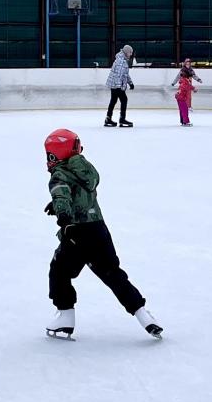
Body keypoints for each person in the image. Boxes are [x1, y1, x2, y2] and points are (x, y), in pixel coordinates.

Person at [42, 128, 160, 340]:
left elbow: (61, 194)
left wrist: (65, 219)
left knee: (58, 271)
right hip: (98, 230)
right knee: (113, 274)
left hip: (77, 232)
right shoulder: (86, 170)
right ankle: (144, 316)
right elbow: (79, 192)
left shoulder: (59, 174)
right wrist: (59, 205)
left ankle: (65, 317)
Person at [104, 44, 136, 127]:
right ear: (126, 52)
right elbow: (118, 75)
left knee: (113, 100)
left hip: (114, 84)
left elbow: (125, 74)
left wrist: (130, 83)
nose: (131, 54)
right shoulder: (121, 61)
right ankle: (122, 119)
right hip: (116, 84)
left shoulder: (121, 59)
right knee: (124, 99)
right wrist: (119, 87)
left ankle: (108, 118)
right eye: (130, 52)